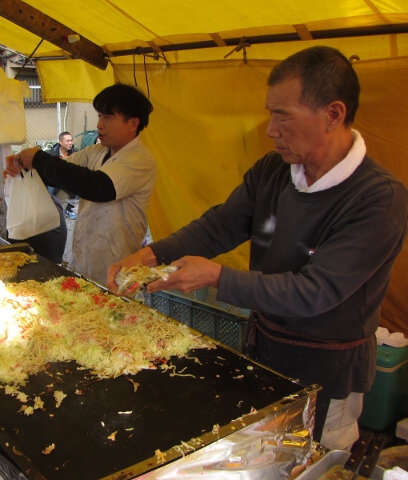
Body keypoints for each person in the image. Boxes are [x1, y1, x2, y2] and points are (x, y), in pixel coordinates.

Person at [107, 46, 408, 450]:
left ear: (332, 114)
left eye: (283, 115)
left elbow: (315, 292)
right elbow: (221, 225)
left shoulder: (379, 198)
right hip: (265, 349)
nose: (271, 129)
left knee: (312, 463)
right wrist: (149, 255)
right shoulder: (274, 170)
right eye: (271, 114)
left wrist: (217, 277)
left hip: (329, 372)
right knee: (263, 455)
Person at [5, 83, 156, 285]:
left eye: (108, 117)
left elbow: (99, 187)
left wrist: (39, 159)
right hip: (84, 261)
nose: (100, 124)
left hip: (118, 269)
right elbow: (61, 173)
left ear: (133, 123)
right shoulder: (97, 152)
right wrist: (26, 166)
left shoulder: (139, 159)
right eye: (100, 116)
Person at [46, 131, 79, 219]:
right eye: (67, 141)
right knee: (50, 189)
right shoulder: (52, 154)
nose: (70, 143)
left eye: (71, 141)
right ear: (60, 142)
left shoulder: (75, 153)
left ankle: (69, 210)